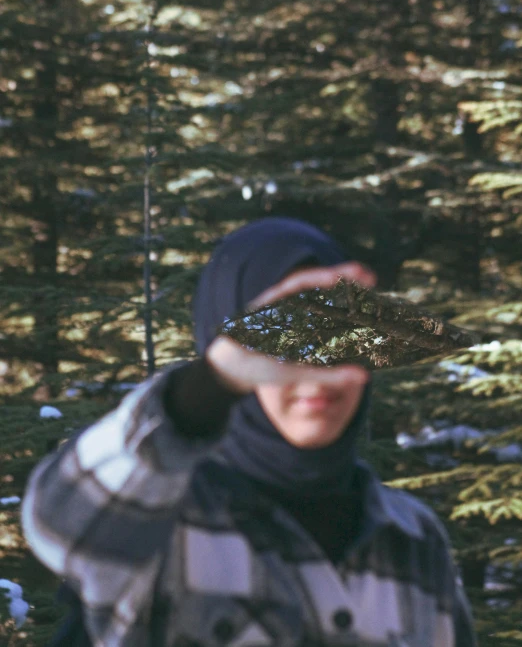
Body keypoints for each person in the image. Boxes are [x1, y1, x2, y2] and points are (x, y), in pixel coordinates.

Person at [23, 217, 476, 647]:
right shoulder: (160, 517)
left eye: (338, 331)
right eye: (285, 337)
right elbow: (57, 523)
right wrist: (210, 385)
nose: (315, 368)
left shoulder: (413, 539)